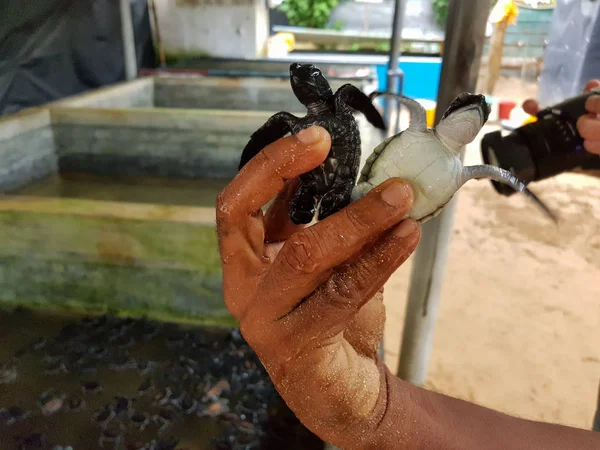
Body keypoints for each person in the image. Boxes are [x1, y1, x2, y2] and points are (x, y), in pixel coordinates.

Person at [215, 84, 600, 449]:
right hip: (356, 197)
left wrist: (380, 415)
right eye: (468, 109)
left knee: (355, 259)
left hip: (386, 227)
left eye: (477, 116)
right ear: (447, 114)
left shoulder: (463, 169)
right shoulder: (422, 128)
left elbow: (499, 173)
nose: (471, 116)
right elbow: (405, 107)